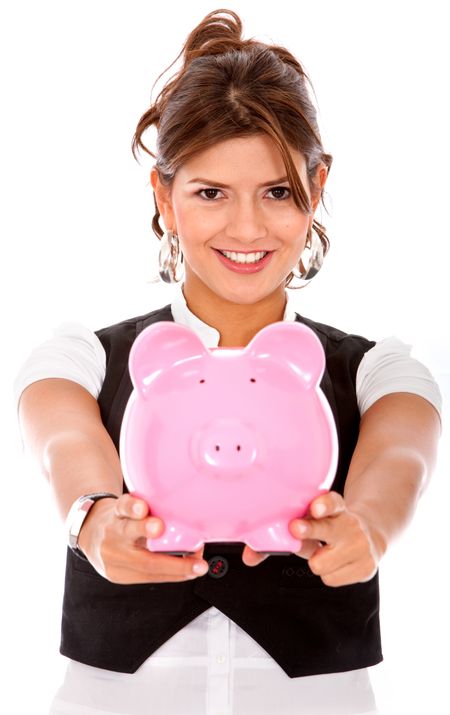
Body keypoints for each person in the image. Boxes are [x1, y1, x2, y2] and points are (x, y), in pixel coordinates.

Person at [14, 8, 442, 715]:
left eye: (277, 192)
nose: (247, 228)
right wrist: (92, 518)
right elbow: (62, 440)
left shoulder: (378, 371)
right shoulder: (84, 356)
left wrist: (369, 526)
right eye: (210, 192)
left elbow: (405, 459)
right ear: (164, 193)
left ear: (317, 186)